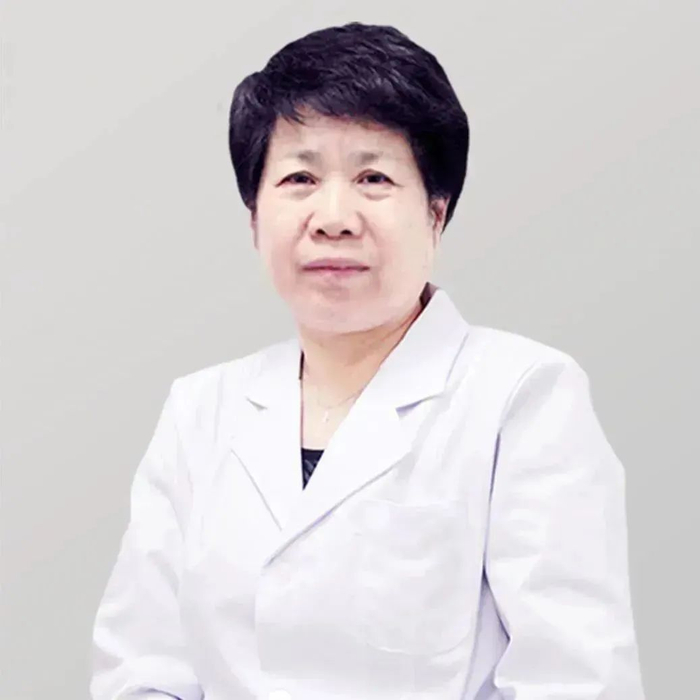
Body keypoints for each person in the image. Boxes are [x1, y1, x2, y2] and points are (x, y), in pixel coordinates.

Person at [89, 21, 646, 700]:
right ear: (254, 217)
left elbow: (574, 681)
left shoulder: (522, 398)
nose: (334, 216)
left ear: (436, 212)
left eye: (373, 177)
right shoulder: (199, 411)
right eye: (299, 177)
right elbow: (142, 671)